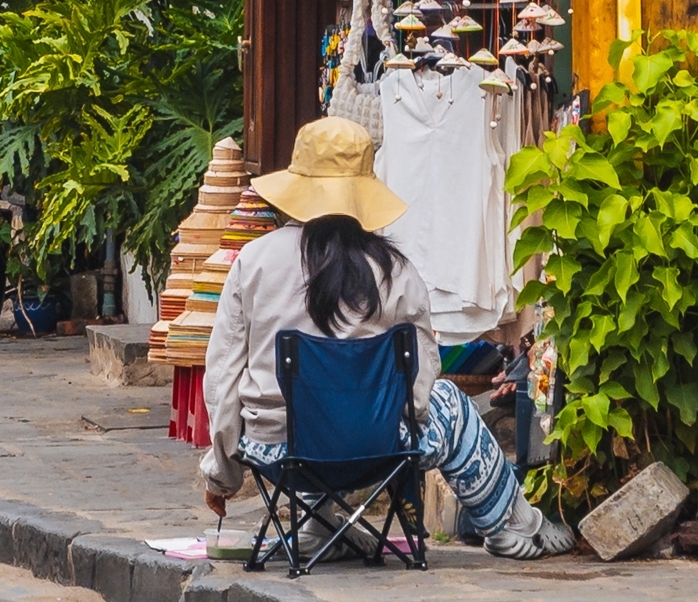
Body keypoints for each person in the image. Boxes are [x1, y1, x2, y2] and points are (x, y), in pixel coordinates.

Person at [192, 116, 553, 554]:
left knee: (307, 406)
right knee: (451, 404)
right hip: (378, 449)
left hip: (279, 453)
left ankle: (317, 527)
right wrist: (388, 420)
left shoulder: (254, 262)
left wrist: (222, 475)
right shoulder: (396, 271)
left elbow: (223, 379)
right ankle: (511, 526)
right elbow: (420, 388)